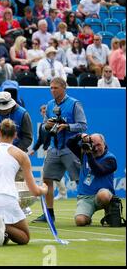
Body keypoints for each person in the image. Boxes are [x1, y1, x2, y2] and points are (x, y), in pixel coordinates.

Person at [0, 119, 48, 246]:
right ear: (15, 135)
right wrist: (45, 189)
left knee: (1, 233)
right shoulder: (21, 155)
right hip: (7, 199)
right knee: (24, 237)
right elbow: (35, 191)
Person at [33, 77, 87, 223]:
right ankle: (49, 214)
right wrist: (48, 126)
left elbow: (83, 125)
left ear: (64, 88)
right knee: (46, 180)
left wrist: (67, 126)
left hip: (71, 147)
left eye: (55, 88)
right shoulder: (49, 105)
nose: (52, 90)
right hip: (54, 147)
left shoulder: (74, 104)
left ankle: (85, 211)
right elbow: (44, 126)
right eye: (50, 88)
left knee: (79, 180)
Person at [66, 133, 118, 226]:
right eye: (93, 145)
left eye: (99, 145)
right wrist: (81, 136)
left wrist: (90, 154)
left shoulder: (110, 159)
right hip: (86, 197)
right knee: (80, 221)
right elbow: (69, 143)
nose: (96, 148)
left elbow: (99, 171)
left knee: (104, 195)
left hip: (103, 194)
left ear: (104, 144)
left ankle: (108, 212)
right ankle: (87, 218)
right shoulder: (84, 154)